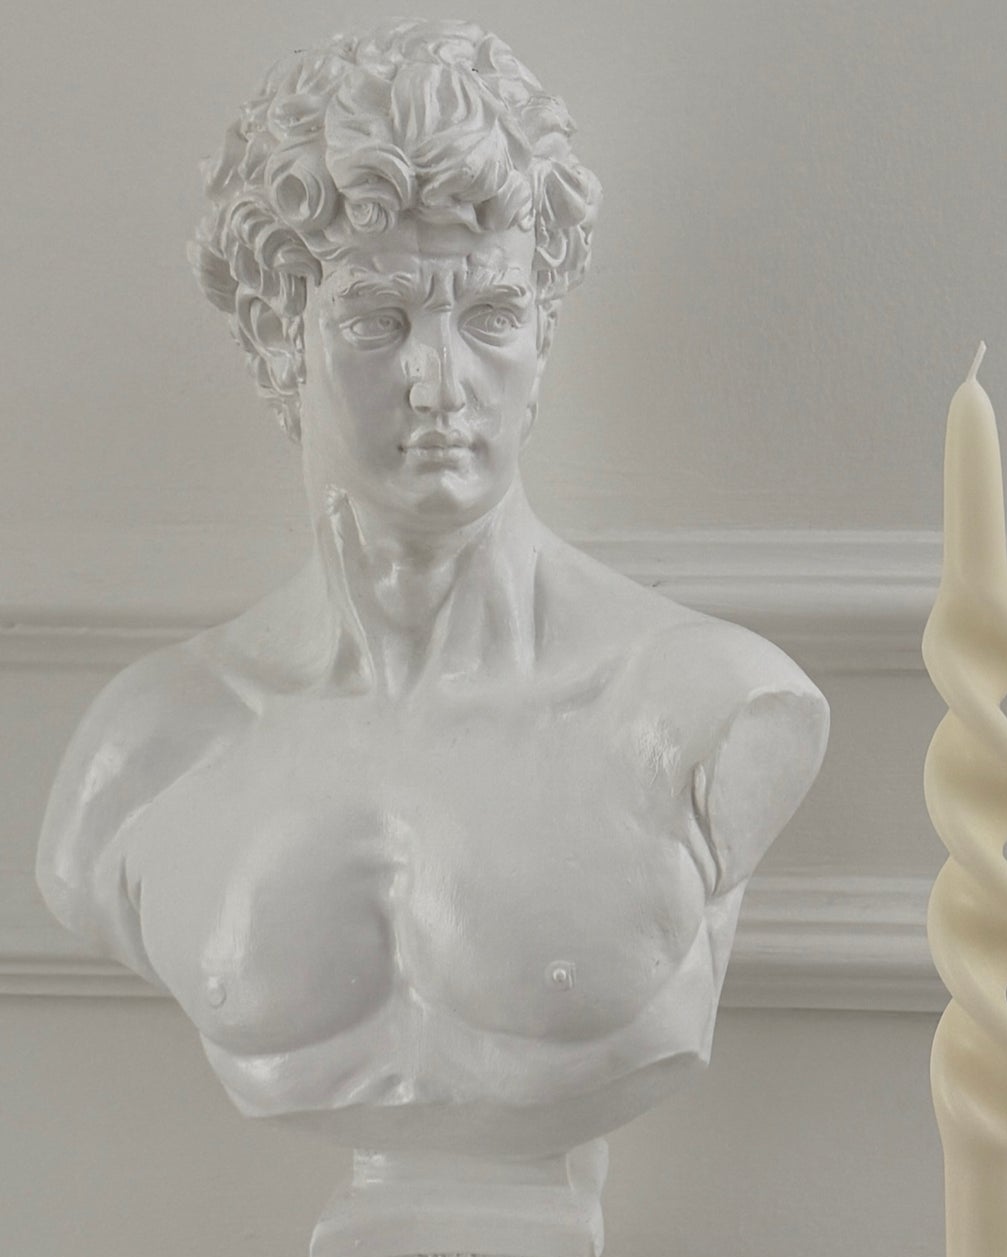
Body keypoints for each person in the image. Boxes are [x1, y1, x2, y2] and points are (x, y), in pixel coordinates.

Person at [38, 22, 828, 1159]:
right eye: (379, 321)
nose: (442, 381)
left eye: (492, 316)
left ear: (544, 332)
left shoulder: (709, 704)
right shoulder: (154, 748)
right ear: (277, 336)